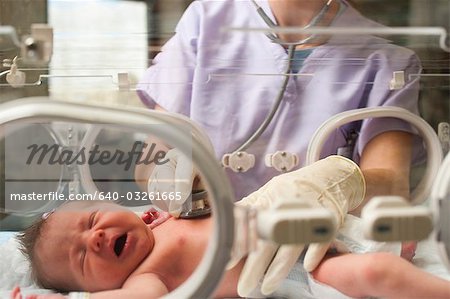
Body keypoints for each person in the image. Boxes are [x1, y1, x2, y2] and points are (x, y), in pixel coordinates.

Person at [134, 0, 423, 295]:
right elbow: (150, 158)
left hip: (309, 244)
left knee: (367, 271)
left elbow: (392, 184)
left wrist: (340, 179)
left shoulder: (384, 55)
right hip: (215, 243)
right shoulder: (206, 20)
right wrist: (167, 172)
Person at [11, 198, 450, 299]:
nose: (96, 237)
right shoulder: (149, 277)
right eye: (83, 257)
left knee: (385, 218)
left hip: (312, 226)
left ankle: (398, 243)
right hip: (303, 268)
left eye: (92, 221)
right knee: (376, 273)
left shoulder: (161, 214)